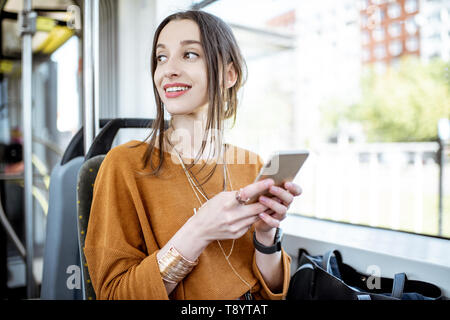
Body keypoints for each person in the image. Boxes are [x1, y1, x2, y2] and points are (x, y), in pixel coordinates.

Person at [84, 10, 302, 300]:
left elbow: (273, 291)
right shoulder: (123, 165)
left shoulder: (252, 165)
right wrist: (199, 230)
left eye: (189, 55)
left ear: (229, 74)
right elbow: (114, 295)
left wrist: (265, 236)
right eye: (161, 58)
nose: (168, 70)